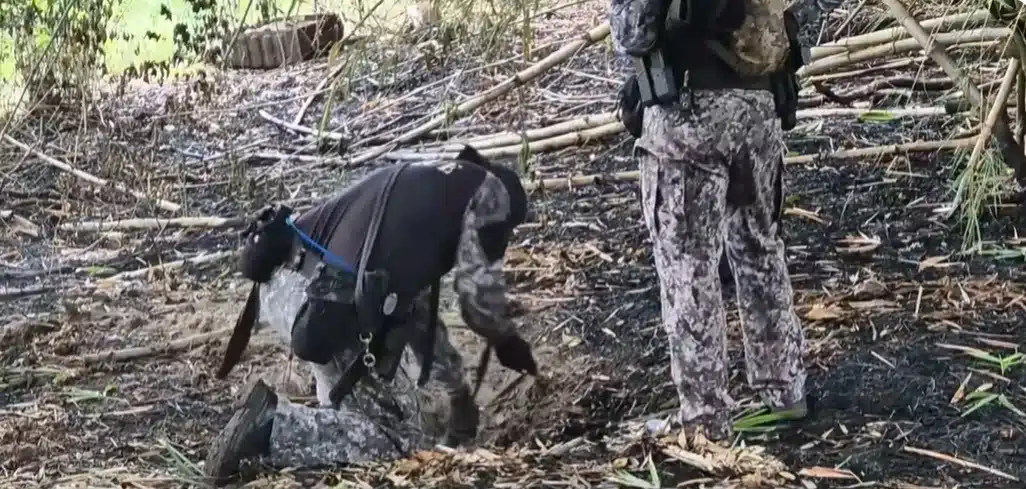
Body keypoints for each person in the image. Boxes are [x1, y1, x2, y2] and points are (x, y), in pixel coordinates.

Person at [204, 145, 539, 485]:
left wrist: (457, 392)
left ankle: (318, 422)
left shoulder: (429, 186)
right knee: (400, 441)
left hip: (283, 284)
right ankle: (271, 427)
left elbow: (419, 314)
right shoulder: (490, 200)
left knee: (353, 409)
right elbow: (477, 306)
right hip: (321, 305)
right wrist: (507, 342)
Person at [609, 0, 844, 440]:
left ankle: (704, 420)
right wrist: (785, 26)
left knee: (688, 266)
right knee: (760, 247)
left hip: (688, 117)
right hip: (760, 110)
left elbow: (633, 33)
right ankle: (786, 390)